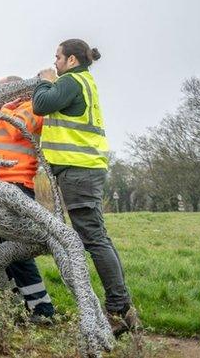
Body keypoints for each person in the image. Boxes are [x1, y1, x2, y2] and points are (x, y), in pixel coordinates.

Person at [33, 39, 138, 336]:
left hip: (79, 171)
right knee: (98, 237)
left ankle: (118, 309)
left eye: (58, 58)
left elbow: (41, 105)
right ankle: (122, 306)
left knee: (93, 238)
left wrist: (44, 82)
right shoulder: (83, 81)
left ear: (72, 61)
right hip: (84, 169)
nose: (54, 62)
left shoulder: (70, 81)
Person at [0, 76, 55, 323]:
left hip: (16, 188)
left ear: (16, 91)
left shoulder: (31, 108)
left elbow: (16, 129)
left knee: (17, 252)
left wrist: (3, 109)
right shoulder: (2, 112)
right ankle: (16, 307)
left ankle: (42, 310)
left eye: (2, 91)